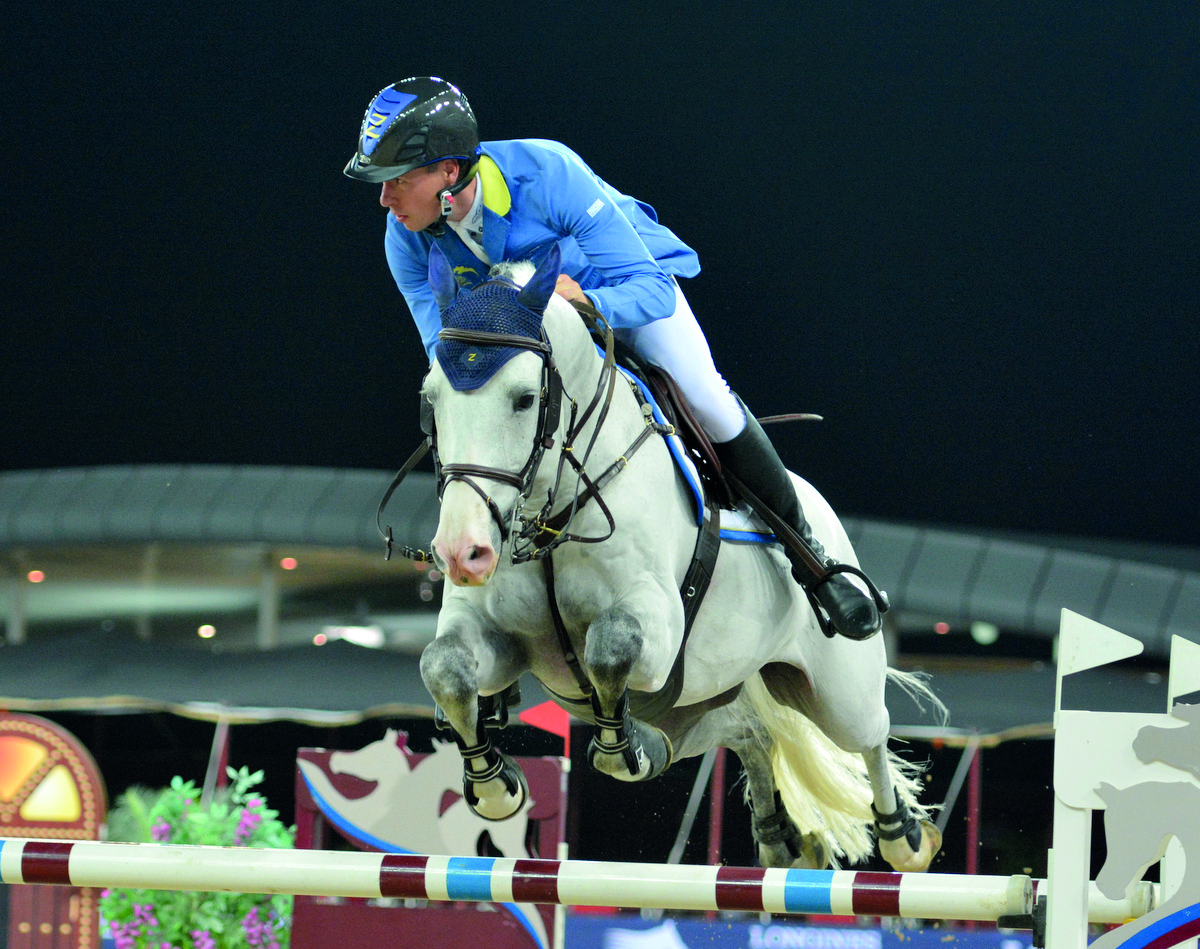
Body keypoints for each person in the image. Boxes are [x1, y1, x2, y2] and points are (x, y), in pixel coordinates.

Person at [344, 76, 882, 641]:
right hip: (536, 341)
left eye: (397, 180)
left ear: (449, 173)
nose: (384, 199)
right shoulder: (404, 238)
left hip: (621, 295)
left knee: (707, 396)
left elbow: (653, 292)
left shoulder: (547, 174)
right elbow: (448, 354)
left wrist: (585, 304)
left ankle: (812, 562)